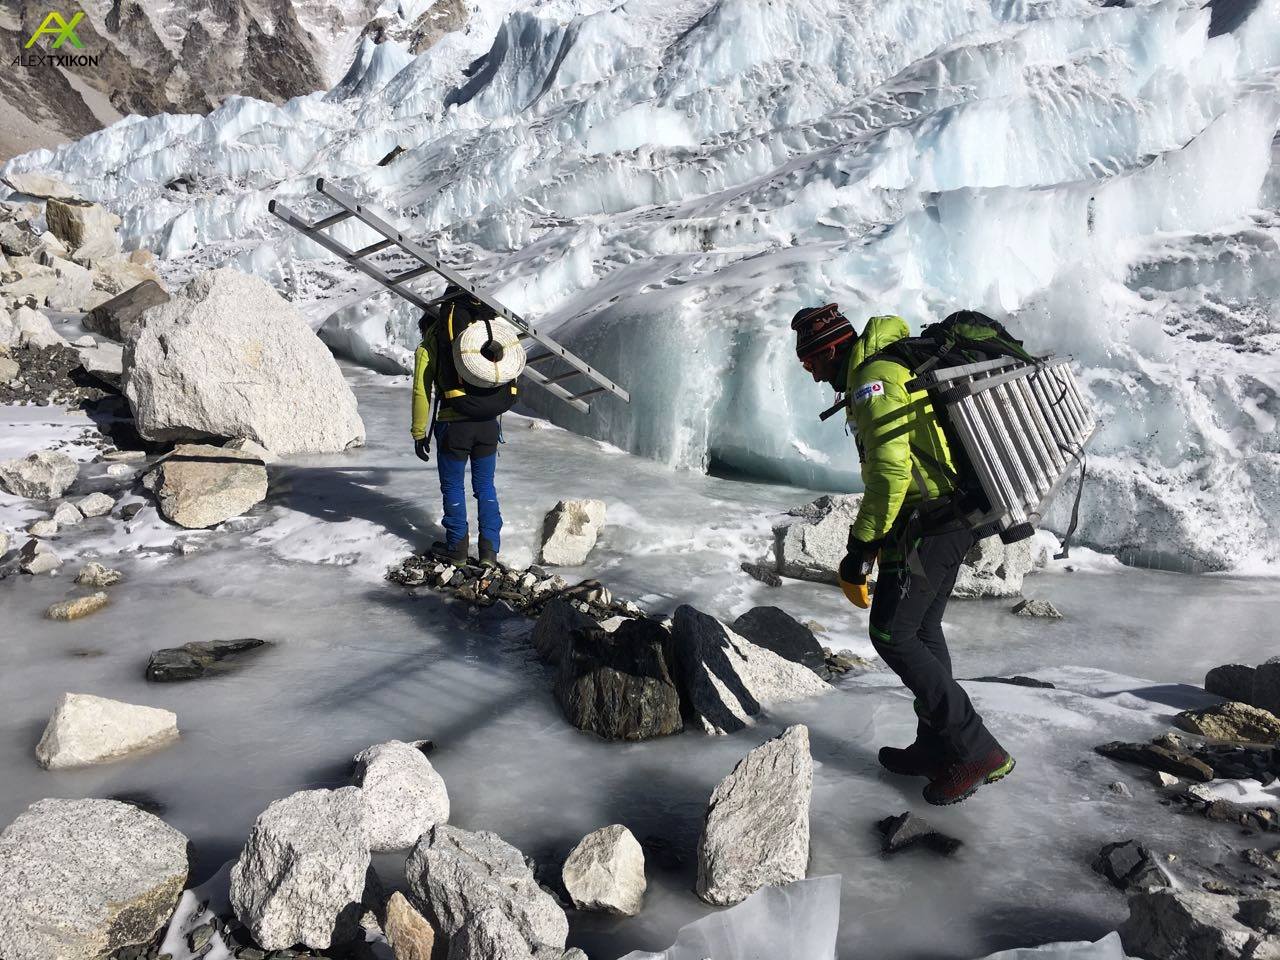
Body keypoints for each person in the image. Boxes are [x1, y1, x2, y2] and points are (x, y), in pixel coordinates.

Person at [791, 303, 1015, 805]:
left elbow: (891, 474)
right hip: (952, 513)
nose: (811, 374)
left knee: (892, 633)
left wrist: (859, 548)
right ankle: (937, 748)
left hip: (932, 520)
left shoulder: (875, 381)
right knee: (921, 629)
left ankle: (978, 749)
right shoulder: (885, 369)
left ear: (830, 349)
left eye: (810, 363)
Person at [411, 287, 512, 567]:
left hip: (454, 428)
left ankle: (456, 548)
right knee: (485, 487)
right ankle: (489, 552)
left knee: (453, 486)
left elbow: (422, 391)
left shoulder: (431, 343)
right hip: (488, 425)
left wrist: (419, 433)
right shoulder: (480, 336)